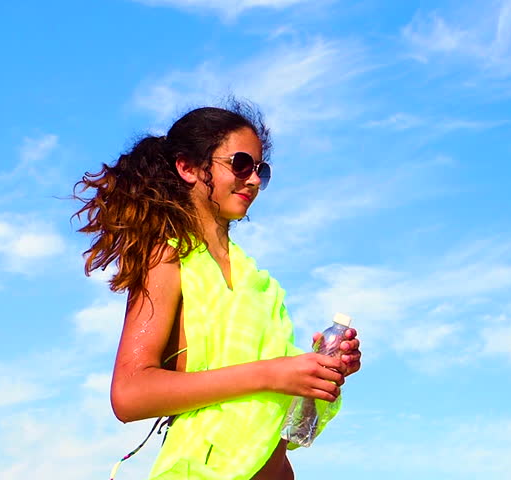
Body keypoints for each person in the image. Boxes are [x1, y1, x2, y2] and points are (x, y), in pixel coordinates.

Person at [72, 99, 362, 480]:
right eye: (240, 164)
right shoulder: (168, 256)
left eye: (261, 170)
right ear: (188, 167)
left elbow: (286, 427)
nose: (253, 180)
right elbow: (128, 394)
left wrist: (318, 372)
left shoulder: (258, 282)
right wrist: (272, 373)